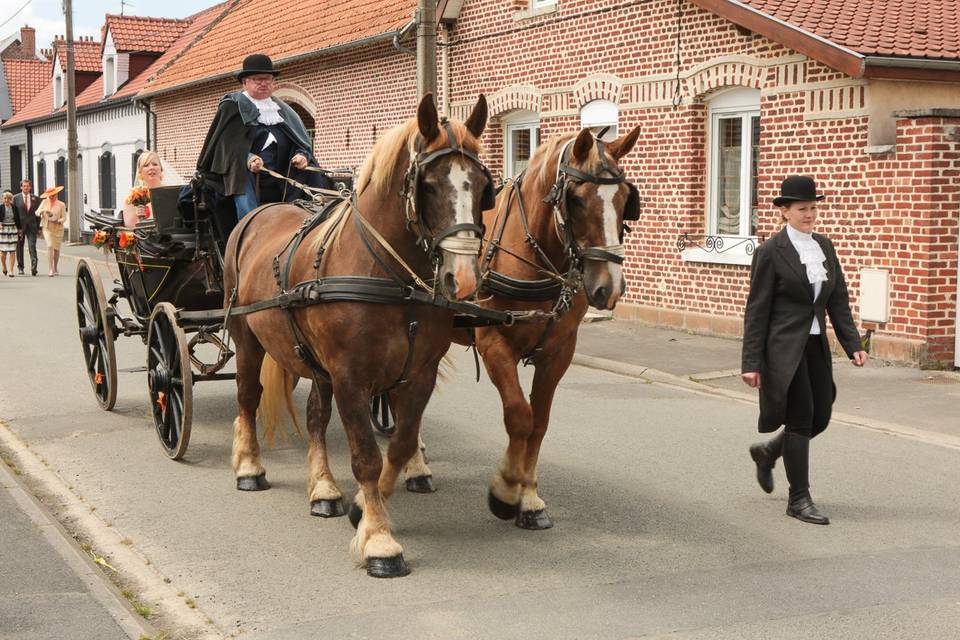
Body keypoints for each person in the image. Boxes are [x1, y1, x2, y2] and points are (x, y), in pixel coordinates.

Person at [741, 176, 867, 525]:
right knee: (800, 419)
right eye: (802, 209)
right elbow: (757, 310)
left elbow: (837, 299)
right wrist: (751, 362)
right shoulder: (771, 252)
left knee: (820, 415)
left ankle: (767, 452)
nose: (810, 214)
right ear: (785, 212)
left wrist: (852, 343)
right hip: (783, 348)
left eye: (813, 208)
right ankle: (799, 499)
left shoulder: (824, 247)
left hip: (814, 345)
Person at [195, 53, 331, 221]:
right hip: (245, 175)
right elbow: (225, 147)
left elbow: (299, 140)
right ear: (245, 82)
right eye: (257, 79)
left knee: (308, 167)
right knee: (241, 172)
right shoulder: (231, 107)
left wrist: (301, 155)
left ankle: (314, 217)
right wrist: (249, 158)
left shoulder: (282, 110)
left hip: (281, 175)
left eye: (268, 79)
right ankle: (250, 223)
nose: (264, 83)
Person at [122, 150, 165, 227]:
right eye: (146, 165)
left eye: (155, 164)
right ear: (140, 172)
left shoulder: (169, 192)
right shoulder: (133, 196)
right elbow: (130, 228)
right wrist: (141, 220)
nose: (151, 167)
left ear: (161, 169)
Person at [13, 179, 40, 276]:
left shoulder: (35, 198)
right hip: (20, 227)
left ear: (30, 187)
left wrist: (39, 228)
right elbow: (14, 213)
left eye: (27, 186)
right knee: (19, 247)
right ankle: (21, 267)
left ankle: (34, 266)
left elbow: (38, 214)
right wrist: (15, 227)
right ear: (21, 187)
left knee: (32, 246)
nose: (26, 188)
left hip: (32, 226)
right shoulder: (15, 198)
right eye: (24, 186)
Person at [38, 185, 66, 277]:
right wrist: (43, 211)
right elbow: (37, 212)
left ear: (56, 194)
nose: (51, 197)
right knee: (50, 246)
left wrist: (58, 220)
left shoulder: (61, 204)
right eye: (50, 195)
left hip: (58, 228)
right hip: (47, 227)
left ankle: (55, 267)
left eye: (53, 195)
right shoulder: (44, 202)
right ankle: (50, 269)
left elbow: (64, 218)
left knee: (56, 249)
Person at [1, 191, 18, 276]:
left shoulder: (14, 207)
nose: (7, 200)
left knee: (12, 251)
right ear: (2, 199)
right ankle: (4, 266)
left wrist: (20, 230)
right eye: (5, 198)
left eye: (8, 198)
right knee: (3, 252)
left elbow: (17, 219)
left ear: (11, 199)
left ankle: (11, 270)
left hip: (13, 229)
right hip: (3, 230)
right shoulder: (0, 207)